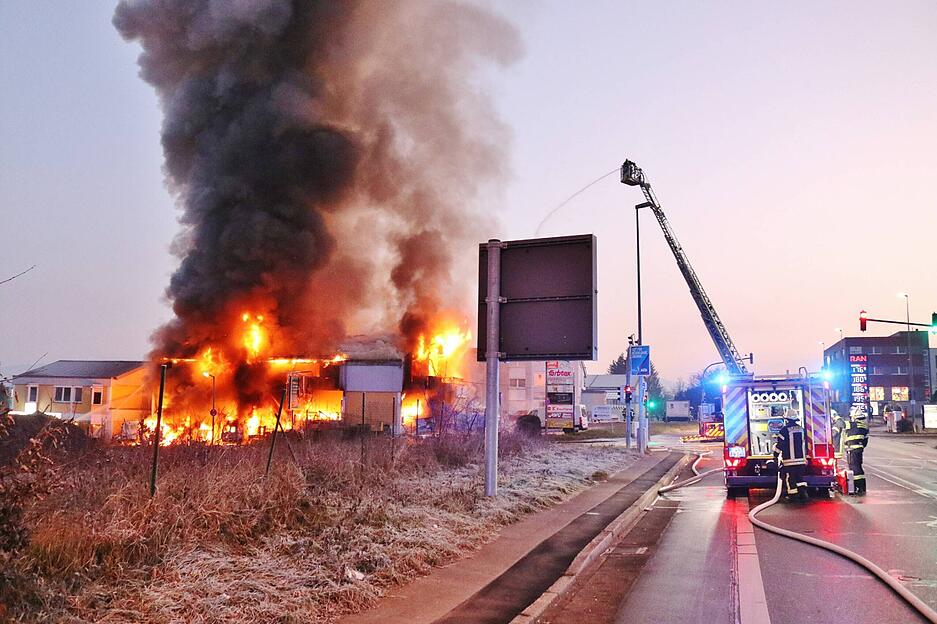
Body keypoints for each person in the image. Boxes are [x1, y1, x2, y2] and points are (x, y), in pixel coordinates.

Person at [774, 412, 808, 500]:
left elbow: (780, 444)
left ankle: (793, 496)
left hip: (789, 461)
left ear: (787, 420)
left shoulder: (784, 430)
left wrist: (775, 455)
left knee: (790, 478)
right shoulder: (802, 429)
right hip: (801, 460)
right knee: (800, 477)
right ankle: (803, 494)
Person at [844, 407, 870, 494]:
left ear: (854, 416)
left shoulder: (851, 424)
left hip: (852, 449)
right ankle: (862, 487)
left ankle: (856, 487)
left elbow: (841, 424)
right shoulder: (865, 426)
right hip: (859, 449)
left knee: (854, 468)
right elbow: (865, 441)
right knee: (859, 467)